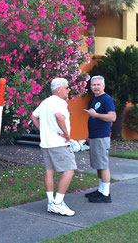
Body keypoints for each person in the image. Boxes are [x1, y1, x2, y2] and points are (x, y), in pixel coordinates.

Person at [30, 78, 76, 217]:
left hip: (46, 144)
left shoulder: (45, 102)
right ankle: (57, 204)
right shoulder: (59, 102)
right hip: (59, 144)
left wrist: (43, 130)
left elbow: (33, 116)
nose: (69, 90)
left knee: (49, 171)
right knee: (69, 171)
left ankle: (51, 202)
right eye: (67, 87)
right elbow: (59, 117)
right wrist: (67, 135)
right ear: (58, 89)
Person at [84, 75, 116, 203]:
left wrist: (95, 114)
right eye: (93, 85)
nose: (96, 87)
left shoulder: (106, 99)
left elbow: (112, 117)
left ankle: (106, 194)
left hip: (102, 136)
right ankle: (101, 190)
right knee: (98, 165)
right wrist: (89, 135)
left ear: (103, 86)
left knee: (103, 165)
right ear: (91, 86)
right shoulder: (96, 99)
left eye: (98, 84)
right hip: (95, 136)